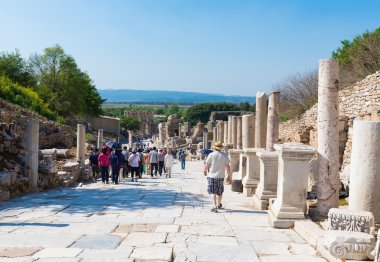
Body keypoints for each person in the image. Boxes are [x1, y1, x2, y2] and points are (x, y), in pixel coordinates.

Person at [203, 141, 232, 213]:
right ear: (221, 148)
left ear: (215, 148)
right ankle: (218, 205)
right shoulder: (224, 155)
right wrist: (229, 176)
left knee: (213, 192)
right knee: (219, 192)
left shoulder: (211, 155)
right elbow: (228, 167)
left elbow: (206, 164)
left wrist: (205, 171)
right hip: (220, 176)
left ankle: (214, 206)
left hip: (212, 176)